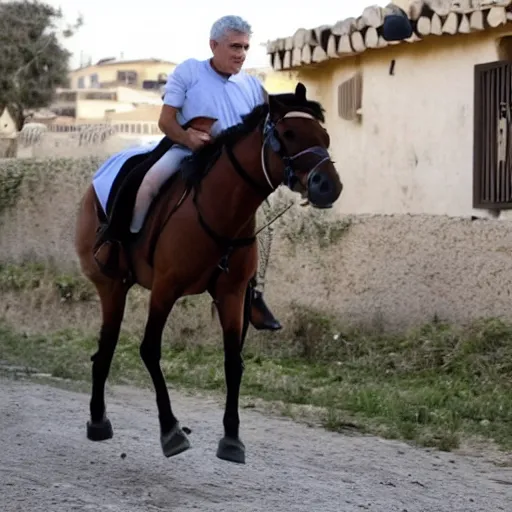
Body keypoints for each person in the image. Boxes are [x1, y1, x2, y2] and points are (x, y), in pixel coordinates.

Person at [92, 14, 281, 331]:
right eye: (234, 46)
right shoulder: (190, 71)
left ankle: (251, 290)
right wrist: (188, 138)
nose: (241, 54)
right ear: (214, 44)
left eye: (246, 47)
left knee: (263, 225)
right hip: (185, 151)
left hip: (229, 172)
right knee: (148, 183)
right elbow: (166, 122)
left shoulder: (252, 86)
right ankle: (122, 250)